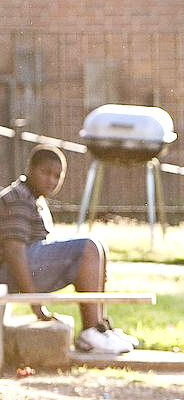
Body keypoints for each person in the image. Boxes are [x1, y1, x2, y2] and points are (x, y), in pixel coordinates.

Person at [0, 146, 137, 355]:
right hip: (8, 274)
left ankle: (99, 327)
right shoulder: (17, 197)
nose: (51, 181)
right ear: (29, 169)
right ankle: (91, 332)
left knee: (97, 246)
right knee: (88, 247)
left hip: (23, 270)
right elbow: (14, 253)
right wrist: (37, 306)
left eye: (57, 176)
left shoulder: (34, 198)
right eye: (45, 173)